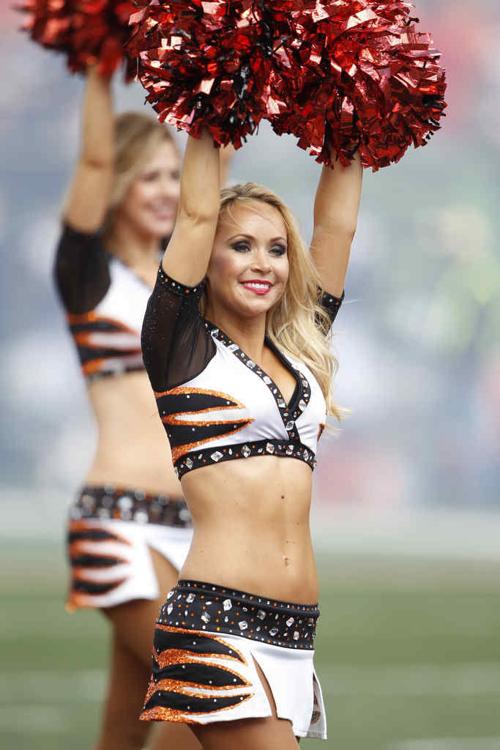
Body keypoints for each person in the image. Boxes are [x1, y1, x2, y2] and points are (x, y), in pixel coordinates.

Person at [139, 129, 363, 748]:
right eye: (240, 246)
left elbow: (338, 227)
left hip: (294, 635)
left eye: (276, 249)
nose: (263, 264)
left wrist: (356, 112)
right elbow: (195, 209)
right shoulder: (180, 348)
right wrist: (213, 105)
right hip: (220, 623)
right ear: (206, 257)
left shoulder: (301, 349)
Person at [53, 65, 201, 750]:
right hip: (117, 522)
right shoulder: (89, 275)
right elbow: (91, 156)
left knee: (125, 729)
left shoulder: (188, 287)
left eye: (174, 175)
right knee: (206, 694)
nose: (167, 191)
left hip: (192, 529)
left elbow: (208, 207)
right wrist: (97, 71)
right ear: (117, 186)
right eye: (149, 176)